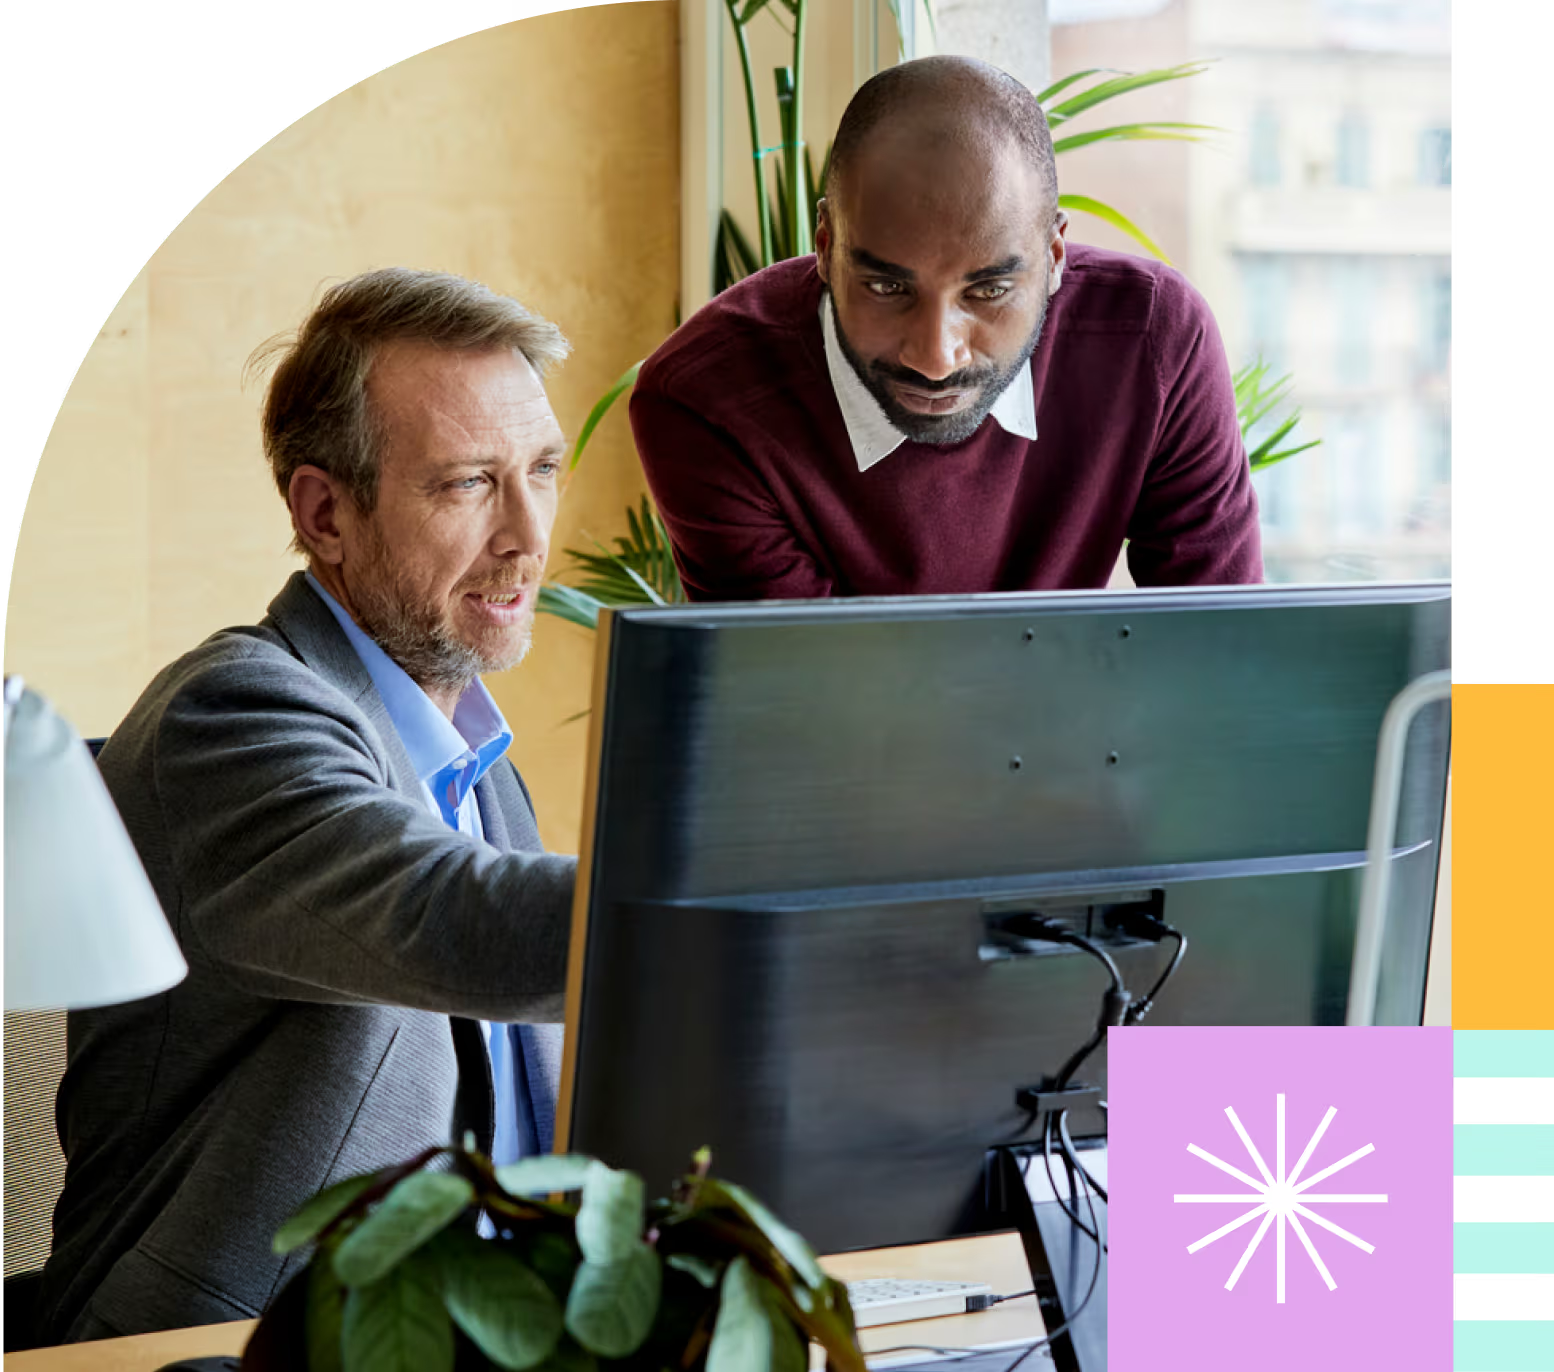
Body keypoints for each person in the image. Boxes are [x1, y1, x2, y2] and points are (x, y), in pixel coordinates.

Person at [37, 269, 582, 1343]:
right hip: (207, 1353)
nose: (526, 534)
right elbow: (455, 920)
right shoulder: (231, 720)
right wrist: (787, 899)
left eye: (544, 469)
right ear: (324, 512)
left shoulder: (483, 765)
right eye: (470, 483)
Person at [629, 55, 1262, 602]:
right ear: (825, 245)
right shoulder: (705, 402)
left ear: (1054, 258)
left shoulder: (1155, 340)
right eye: (887, 287)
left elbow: (1216, 659)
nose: (936, 357)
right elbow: (813, 707)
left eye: (988, 291)